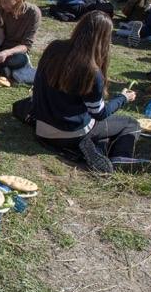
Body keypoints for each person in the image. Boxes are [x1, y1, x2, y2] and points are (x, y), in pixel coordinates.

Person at [31, 12, 140, 173]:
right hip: (69, 132)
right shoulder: (92, 71)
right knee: (131, 123)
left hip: (42, 126)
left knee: (102, 129)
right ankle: (120, 157)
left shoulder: (54, 47)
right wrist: (123, 98)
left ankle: (96, 148)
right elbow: (100, 113)